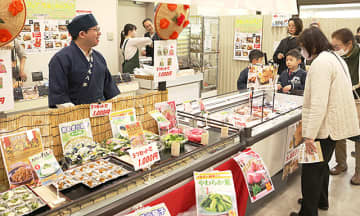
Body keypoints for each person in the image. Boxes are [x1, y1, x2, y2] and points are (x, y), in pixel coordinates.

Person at [290, 27, 360, 216]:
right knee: (321, 167)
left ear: (312, 45)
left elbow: (318, 102)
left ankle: (308, 212)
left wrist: (309, 136)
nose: (303, 52)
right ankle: (321, 201)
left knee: (311, 172)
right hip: (333, 126)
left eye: (304, 47)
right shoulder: (334, 57)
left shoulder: (321, 63)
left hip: (325, 127)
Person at [48, 14, 120, 108]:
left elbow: (110, 90)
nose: (99, 33)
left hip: (101, 115)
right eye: (95, 30)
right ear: (82, 34)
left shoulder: (99, 57)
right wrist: (79, 115)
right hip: (76, 119)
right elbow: (59, 97)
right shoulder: (60, 59)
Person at [330, 28, 360, 185]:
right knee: (339, 133)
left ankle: (359, 172)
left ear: (349, 43)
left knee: (359, 136)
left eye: (337, 46)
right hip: (340, 98)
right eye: (333, 46)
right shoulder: (335, 57)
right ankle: (341, 163)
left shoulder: (358, 55)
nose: (335, 49)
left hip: (358, 100)